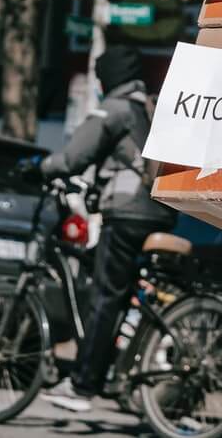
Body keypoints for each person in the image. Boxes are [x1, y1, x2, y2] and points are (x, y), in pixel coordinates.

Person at [35, 45, 178, 412]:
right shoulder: (150, 107)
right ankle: (118, 363)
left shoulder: (114, 109)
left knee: (104, 298)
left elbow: (74, 157)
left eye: (100, 77)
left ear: (108, 77)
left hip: (127, 214)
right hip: (161, 212)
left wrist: (40, 167)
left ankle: (82, 386)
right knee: (111, 282)